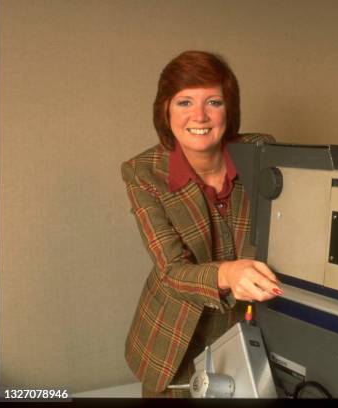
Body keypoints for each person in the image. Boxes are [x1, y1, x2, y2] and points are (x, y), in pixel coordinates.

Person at [121, 50, 282, 398]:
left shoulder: (262, 152)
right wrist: (227, 275)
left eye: (213, 101)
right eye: (184, 102)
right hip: (175, 338)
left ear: (230, 110)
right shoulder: (143, 172)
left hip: (251, 330)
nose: (199, 115)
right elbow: (171, 270)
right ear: (165, 109)